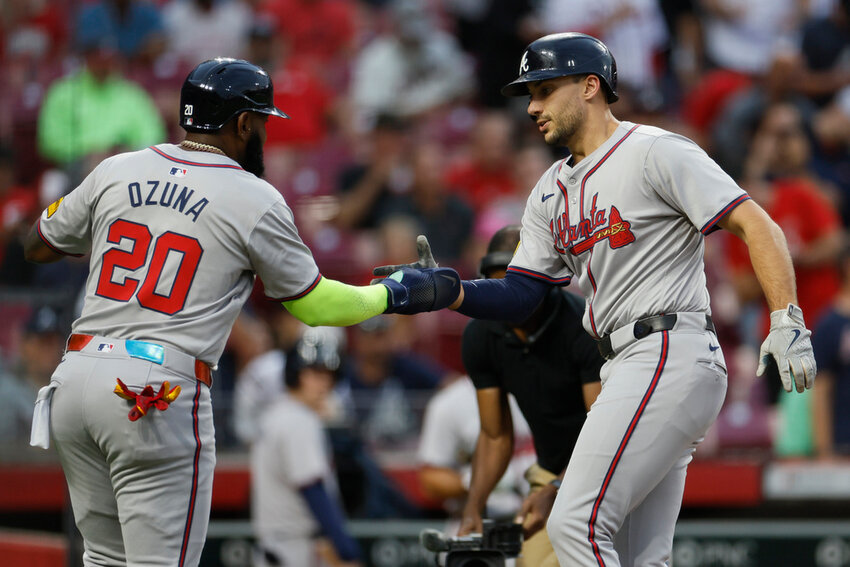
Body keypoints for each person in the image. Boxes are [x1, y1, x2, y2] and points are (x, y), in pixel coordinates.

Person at [372, 33, 816, 566]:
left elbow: (755, 223)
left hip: (667, 350)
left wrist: (785, 317)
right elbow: (521, 293)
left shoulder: (654, 150)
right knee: (637, 553)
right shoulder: (548, 191)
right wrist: (452, 291)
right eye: (528, 94)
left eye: (543, 89)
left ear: (590, 86)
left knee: (574, 525)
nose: (532, 106)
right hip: (627, 364)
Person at [23, 57, 458, 566]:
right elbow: (316, 304)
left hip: (74, 381)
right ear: (243, 123)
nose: (264, 135)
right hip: (151, 390)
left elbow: (37, 244)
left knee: (103, 560)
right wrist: (395, 294)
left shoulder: (118, 168)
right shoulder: (253, 197)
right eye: (263, 123)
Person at [456, 225, 603, 567]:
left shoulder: (586, 328)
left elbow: (604, 436)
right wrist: (473, 510)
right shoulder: (480, 335)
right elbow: (494, 435)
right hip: (551, 472)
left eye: (516, 284)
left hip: (611, 471)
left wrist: (555, 490)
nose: (506, 297)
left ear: (546, 280)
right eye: (498, 285)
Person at [251, 330, 361, 567]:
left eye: (328, 375)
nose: (323, 383)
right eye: (314, 373)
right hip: (291, 548)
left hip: (283, 545)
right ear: (295, 374)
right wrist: (346, 550)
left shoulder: (279, 413)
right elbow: (313, 489)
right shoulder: (297, 420)